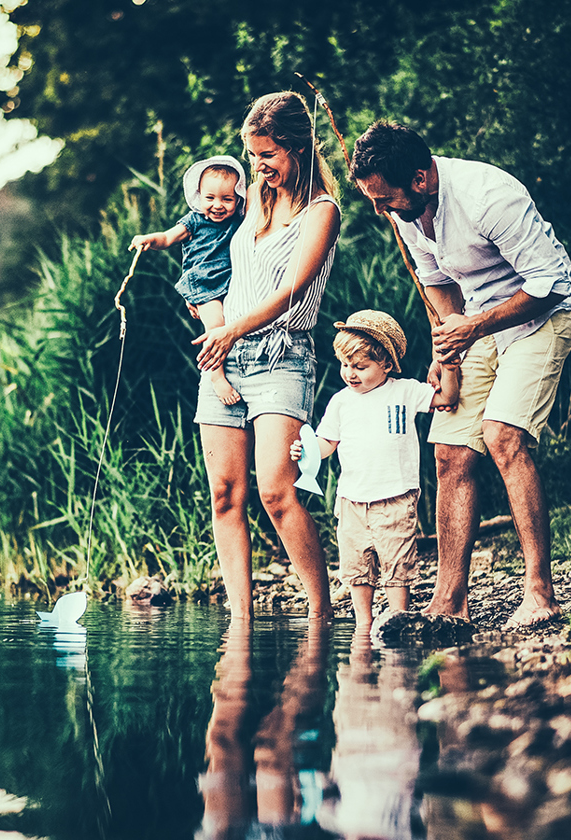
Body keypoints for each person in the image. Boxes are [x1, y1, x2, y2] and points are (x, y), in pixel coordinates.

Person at [349, 120, 571, 631]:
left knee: (502, 436)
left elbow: (550, 284)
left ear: (421, 178)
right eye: (372, 199)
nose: (380, 209)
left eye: (385, 198)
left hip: (542, 315)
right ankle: (448, 602)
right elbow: (439, 286)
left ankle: (539, 594)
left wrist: (473, 326)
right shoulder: (406, 213)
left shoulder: (488, 196)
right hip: (476, 324)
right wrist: (447, 345)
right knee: (451, 450)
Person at [192, 90, 342, 623]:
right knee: (223, 494)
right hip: (224, 357)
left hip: (282, 355)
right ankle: (241, 620)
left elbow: (291, 294)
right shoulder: (253, 194)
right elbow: (205, 253)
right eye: (254, 155)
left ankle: (322, 614)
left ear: (298, 149)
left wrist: (230, 331)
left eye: (269, 155)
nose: (258, 166)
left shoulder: (323, 211)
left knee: (277, 489)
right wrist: (212, 321)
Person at [289, 310, 458, 629]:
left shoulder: (404, 391)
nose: (350, 373)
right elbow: (326, 443)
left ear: (387, 364)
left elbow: (447, 397)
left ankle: (397, 621)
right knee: (356, 568)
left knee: (397, 564)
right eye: (345, 365)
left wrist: (448, 366)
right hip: (352, 502)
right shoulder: (341, 401)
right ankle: (363, 627)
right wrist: (306, 450)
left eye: (361, 367)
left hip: (395, 498)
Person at [130, 155, 248, 405]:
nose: (218, 205)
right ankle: (216, 376)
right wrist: (150, 240)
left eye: (227, 199)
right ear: (199, 196)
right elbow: (167, 238)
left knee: (235, 322)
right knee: (216, 327)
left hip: (230, 284)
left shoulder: (239, 222)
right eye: (210, 198)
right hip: (204, 284)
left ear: (238, 198)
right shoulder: (194, 221)